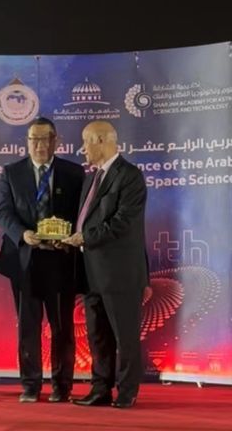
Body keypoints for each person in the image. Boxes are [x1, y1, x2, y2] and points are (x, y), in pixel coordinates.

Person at [0, 117, 85, 403]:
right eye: (34, 139)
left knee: (62, 327)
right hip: (25, 260)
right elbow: (2, 211)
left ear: (55, 141)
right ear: (27, 141)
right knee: (28, 326)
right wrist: (23, 234)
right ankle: (30, 385)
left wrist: (68, 237)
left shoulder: (74, 172)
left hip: (61, 260)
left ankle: (62, 386)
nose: (39, 145)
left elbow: (83, 213)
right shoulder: (11, 172)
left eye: (45, 139)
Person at [63, 120, 148, 409]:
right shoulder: (91, 178)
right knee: (97, 335)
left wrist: (85, 237)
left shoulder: (130, 176)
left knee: (125, 336)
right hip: (91, 270)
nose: (82, 149)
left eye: (85, 142)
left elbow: (123, 222)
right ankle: (100, 388)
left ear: (101, 140)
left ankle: (127, 391)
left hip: (120, 273)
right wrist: (73, 239)